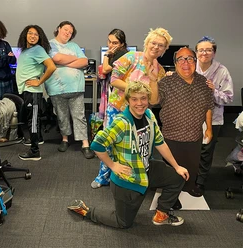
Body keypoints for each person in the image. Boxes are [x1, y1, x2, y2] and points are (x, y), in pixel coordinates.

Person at [68, 81, 189, 228]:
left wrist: (176, 166)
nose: (140, 103)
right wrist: (113, 166)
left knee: (178, 176)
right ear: (128, 101)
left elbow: (160, 142)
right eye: (134, 99)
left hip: (145, 170)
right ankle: (86, 211)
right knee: (122, 223)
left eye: (143, 98)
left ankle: (161, 214)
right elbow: (97, 144)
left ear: (148, 99)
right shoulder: (122, 122)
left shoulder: (149, 115)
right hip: (128, 180)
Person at [91, 27, 172, 188]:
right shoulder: (131, 58)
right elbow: (114, 80)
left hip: (140, 113)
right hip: (118, 109)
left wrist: (154, 80)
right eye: (153, 43)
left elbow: (154, 100)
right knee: (110, 144)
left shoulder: (160, 70)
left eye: (161, 45)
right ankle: (103, 177)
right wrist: (136, 91)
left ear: (165, 49)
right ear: (147, 43)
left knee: (134, 147)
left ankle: (129, 176)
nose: (156, 47)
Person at [150, 47, 215, 201]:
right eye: (181, 59)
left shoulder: (204, 83)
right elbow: (153, 101)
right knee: (173, 171)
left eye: (190, 58)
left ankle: (188, 187)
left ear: (195, 61)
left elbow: (209, 107)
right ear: (175, 63)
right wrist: (153, 80)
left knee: (192, 167)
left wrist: (209, 129)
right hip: (172, 136)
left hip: (194, 135)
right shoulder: (166, 82)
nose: (186, 62)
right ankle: (172, 197)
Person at [44, 21, 95, 159]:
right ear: (58, 29)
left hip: (76, 88)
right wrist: (73, 59)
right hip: (57, 88)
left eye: (70, 32)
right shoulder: (49, 44)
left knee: (80, 116)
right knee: (62, 116)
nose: (68, 33)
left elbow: (84, 61)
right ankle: (65, 139)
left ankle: (85, 144)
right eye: (66, 30)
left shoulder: (74, 46)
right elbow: (56, 58)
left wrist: (64, 61)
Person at [194, 36, 234, 196]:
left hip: (214, 119)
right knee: (191, 149)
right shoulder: (189, 67)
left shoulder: (222, 71)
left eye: (208, 50)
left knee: (206, 151)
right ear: (196, 52)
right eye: (201, 50)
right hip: (190, 118)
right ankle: (188, 177)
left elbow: (229, 98)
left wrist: (213, 91)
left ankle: (200, 182)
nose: (204, 53)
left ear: (214, 53)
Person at [15, 25, 56, 161]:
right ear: (25, 35)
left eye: (36, 34)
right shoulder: (26, 50)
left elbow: (51, 67)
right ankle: (37, 138)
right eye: (30, 33)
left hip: (33, 91)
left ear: (40, 38)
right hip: (27, 90)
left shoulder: (38, 49)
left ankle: (34, 151)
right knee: (33, 118)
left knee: (32, 121)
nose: (32, 36)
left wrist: (39, 82)